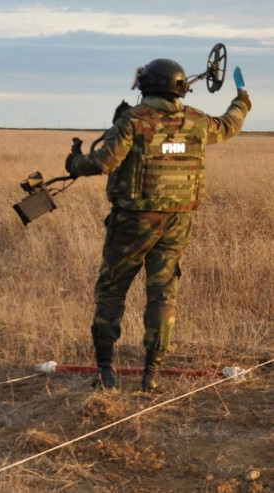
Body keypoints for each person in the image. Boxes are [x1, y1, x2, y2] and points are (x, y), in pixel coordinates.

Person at [64, 58, 251, 392]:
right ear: (179, 87)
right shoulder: (197, 121)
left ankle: (106, 373)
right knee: (162, 296)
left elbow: (104, 162)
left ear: (147, 85)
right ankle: (151, 376)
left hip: (131, 223)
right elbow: (230, 124)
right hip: (177, 223)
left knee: (111, 291)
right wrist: (242, 99)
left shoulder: (132, 121)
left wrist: (75, 161)